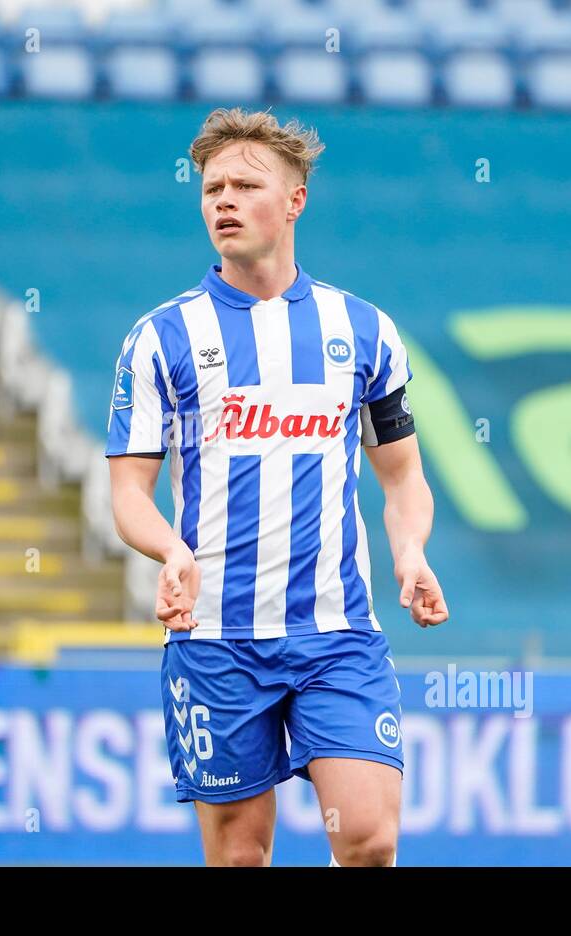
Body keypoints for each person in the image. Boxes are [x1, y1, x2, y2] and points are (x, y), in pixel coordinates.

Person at [105, 107, 449, 866]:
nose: (222, 201)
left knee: (367, 839)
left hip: (336, 634)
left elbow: (403, 477)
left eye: (244, 185)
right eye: (211, 188)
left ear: (295, 200)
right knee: (239, 857)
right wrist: (170, 551)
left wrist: (412, 551)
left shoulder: (362, 331)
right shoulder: (160, 337)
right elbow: (129, 491)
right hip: (216, 640)